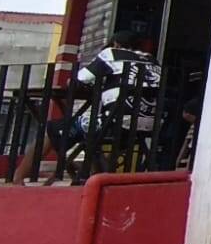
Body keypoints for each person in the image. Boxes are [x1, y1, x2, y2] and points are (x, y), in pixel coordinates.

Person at [36, 29, 163, 178]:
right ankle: (94, 172)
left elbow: (78, 80)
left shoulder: (112, 54)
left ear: (116, 44)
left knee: (54, 129)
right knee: (94, 135)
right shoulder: (152, 61)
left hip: (114, 124)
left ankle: (19, 176)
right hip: (150, 125)